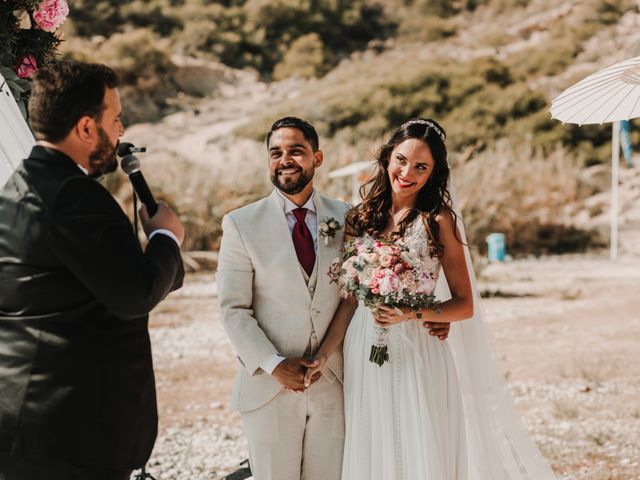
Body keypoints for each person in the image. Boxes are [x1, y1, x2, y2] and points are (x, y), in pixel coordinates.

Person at [304, 118, 557, 479]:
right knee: (371, 437)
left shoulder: (437, 220)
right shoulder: (360, 218)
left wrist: (412, 313)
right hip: (363, 344)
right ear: (388, 158)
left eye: (421, 166)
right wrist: (324, 354)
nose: (407, 172)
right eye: (401, 160)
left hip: (417, 347)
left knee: (417, 438)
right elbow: (348, 300)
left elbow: (464, 304)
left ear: (434, 173)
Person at [217, 116, 449, 480]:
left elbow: (370, 285)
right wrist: (275, 364)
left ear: (317, 158)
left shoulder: (350, 217)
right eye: (276, 152)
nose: (286, 159)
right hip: (268, 388)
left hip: (336, 384)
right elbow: (233, 310)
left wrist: (430, 312)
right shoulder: (240, 224)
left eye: (296, 150)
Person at [0, 61, 185, 480]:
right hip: (72, 435)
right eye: (115, 119)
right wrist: (166, 238)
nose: (121, 132)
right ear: (86, 128)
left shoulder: (18, 187)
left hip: (30, 427)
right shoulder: (75, 197)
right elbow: (134, 294)